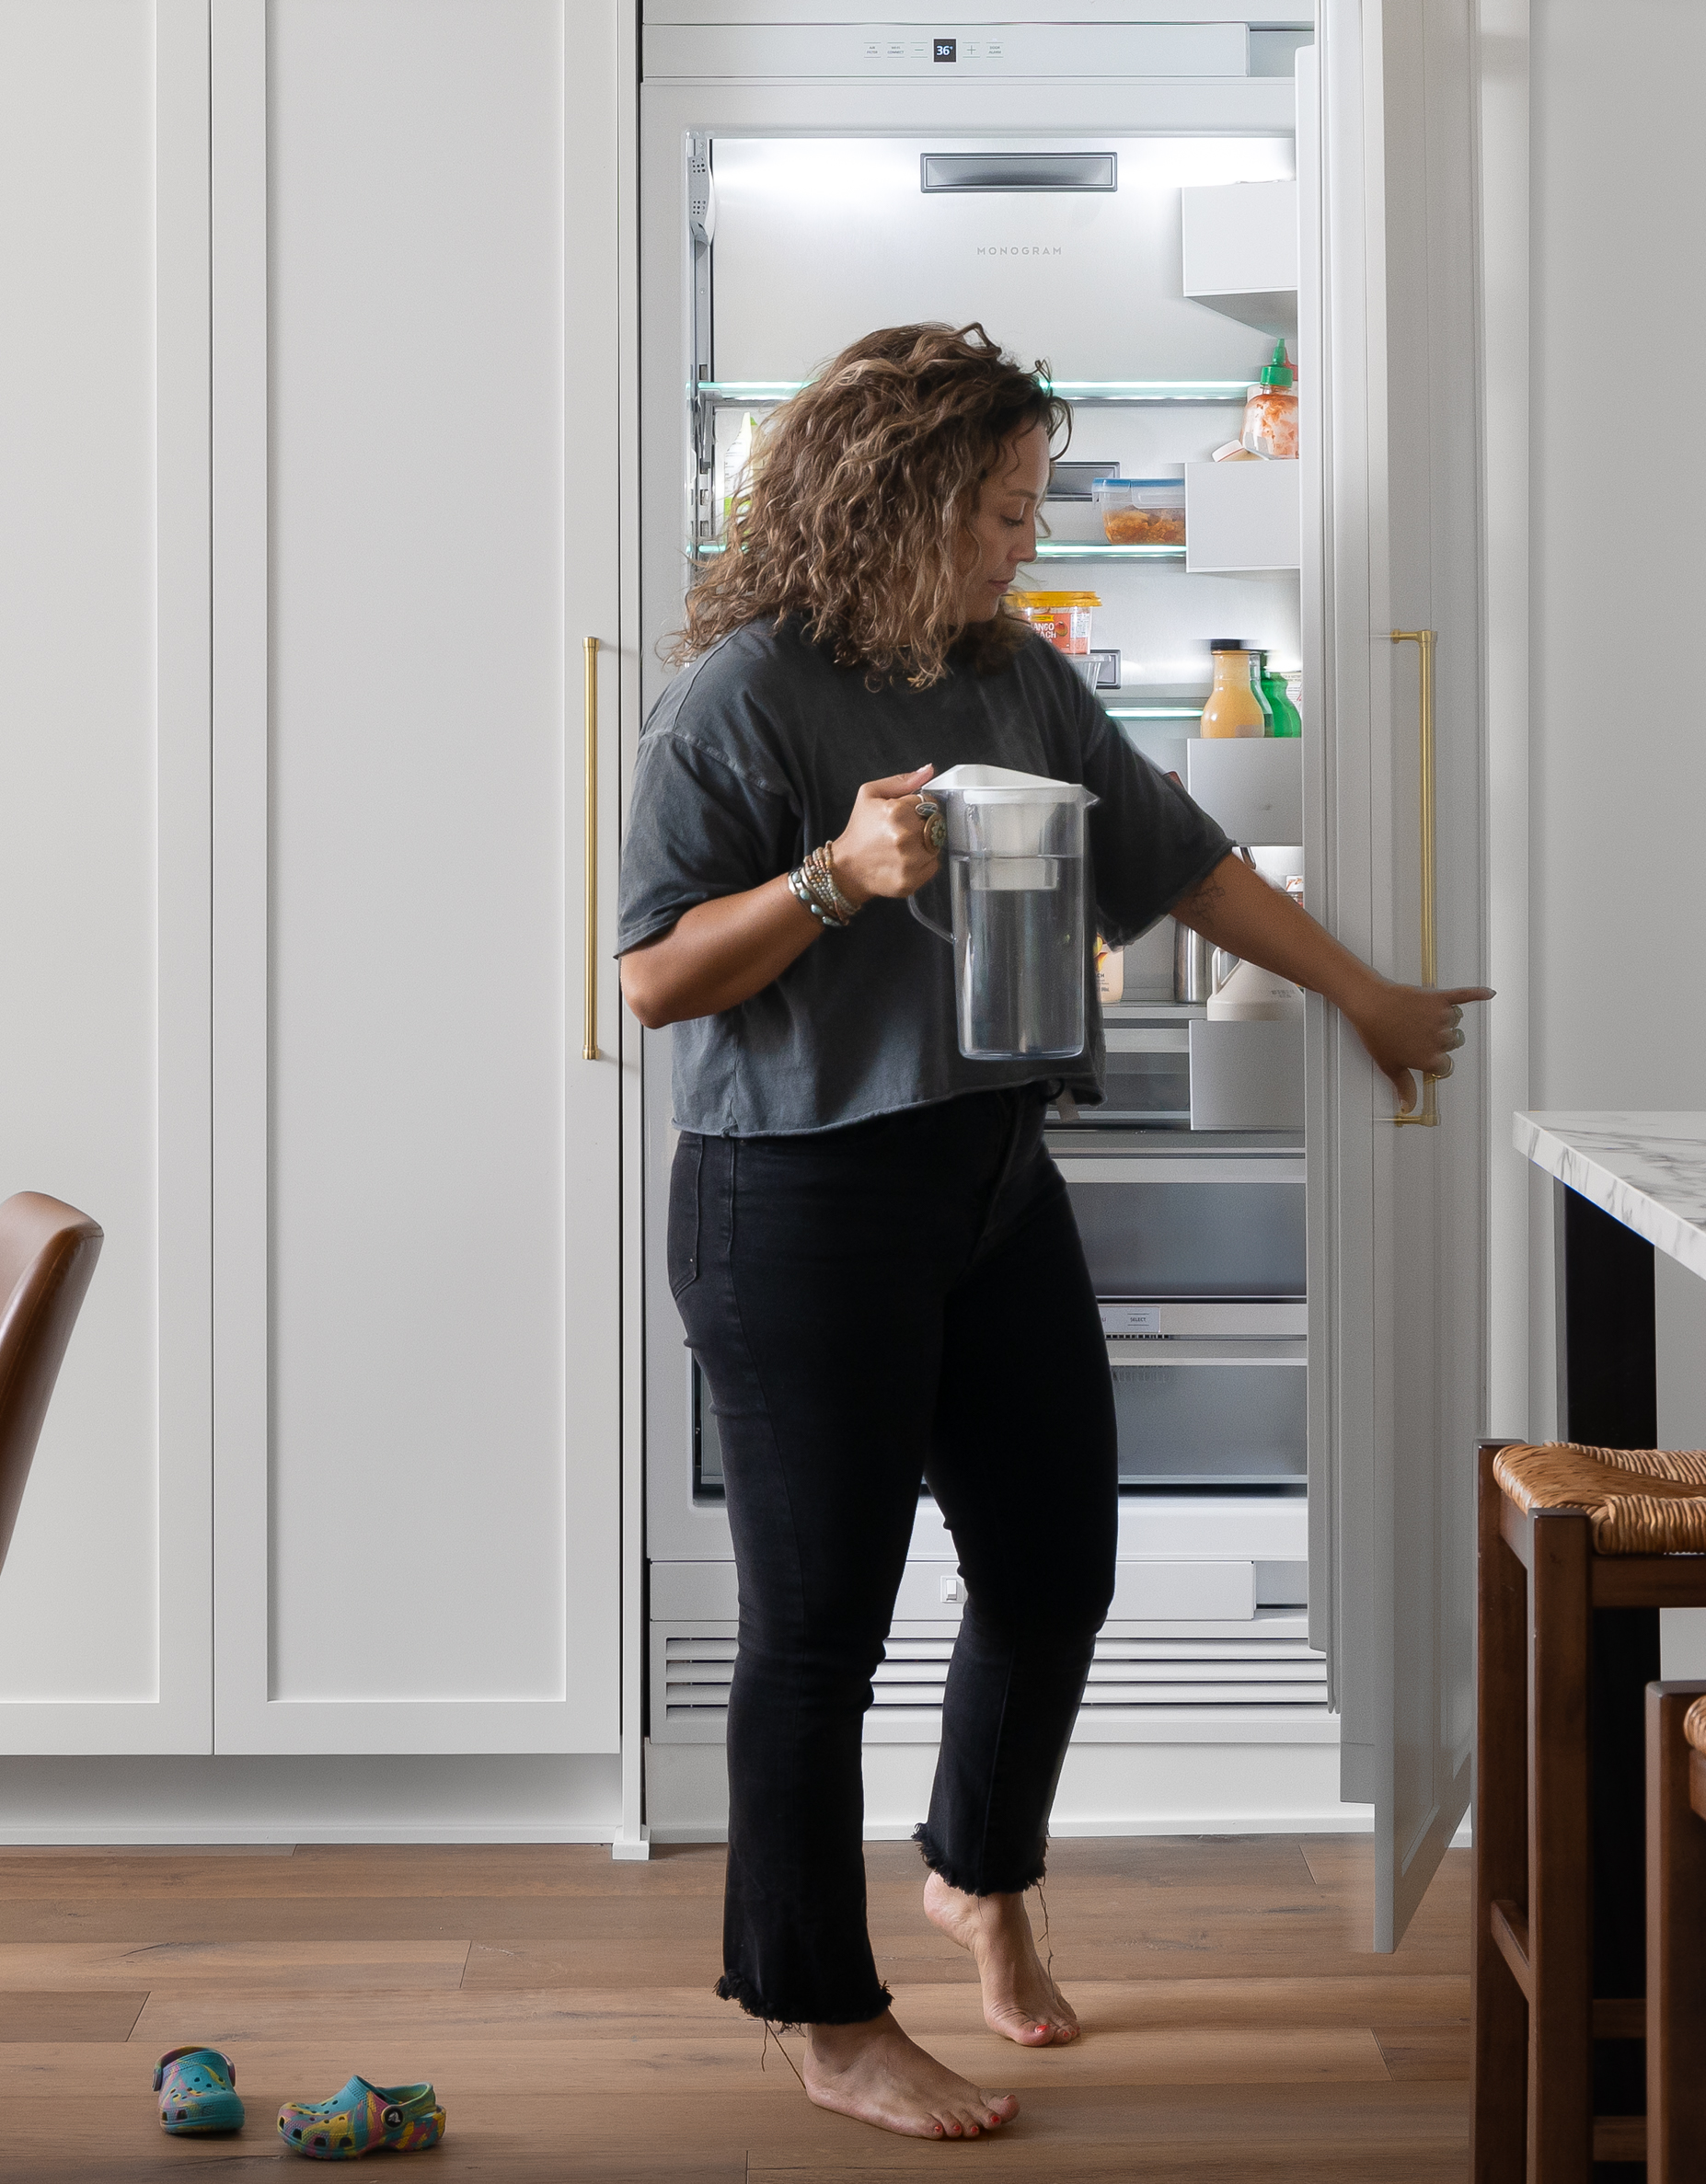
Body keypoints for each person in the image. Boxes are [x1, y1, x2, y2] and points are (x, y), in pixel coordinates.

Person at [614, 320, 1492, 2143]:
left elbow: (1177, 854)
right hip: (798, 1205)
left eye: (1032, 504)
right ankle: (819, 2006)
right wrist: (824, 879)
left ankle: (977, 1870)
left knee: (1050, 1566)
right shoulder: (743, 699)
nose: (1026, 540)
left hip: (994, 1179)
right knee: (817, 1627)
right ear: (892, 502)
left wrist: (1367, 994)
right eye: (1000, 508)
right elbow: (648, 978)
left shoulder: (1014, 677)